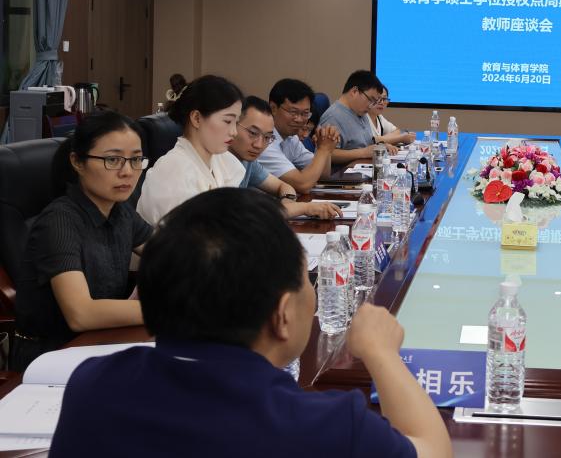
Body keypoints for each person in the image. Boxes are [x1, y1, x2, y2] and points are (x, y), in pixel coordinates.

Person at [50, 188, 453, 458]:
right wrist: (382, 354)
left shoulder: (92, 386)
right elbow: (433, 449)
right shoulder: (324, 427)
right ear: (282, 315)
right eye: (306, 279)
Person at [11, 112, 153, 372]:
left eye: (135, 160)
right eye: (112, 160)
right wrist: (169, 311)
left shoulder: (121, 211)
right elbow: (81, 314)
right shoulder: (59, 221)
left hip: (102, 342)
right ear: (77, 161)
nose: (127, 172)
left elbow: (172, 252)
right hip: (51, 357)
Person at [137, 75, 246, 225]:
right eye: (227, 121)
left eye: (236, 122)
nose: (234, 132)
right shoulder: (172, 170)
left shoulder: (223, 160)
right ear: (196, 118)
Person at [231, 96, 341, 220]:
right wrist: (303, 208)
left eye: (267, 137)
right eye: (252, 133)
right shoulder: (221, 161)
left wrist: (288, 206)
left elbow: (284, 186)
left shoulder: (249, 162)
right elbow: (241, 215)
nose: (259, 145)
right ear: (232, 126)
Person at [258, 78, 339, 195]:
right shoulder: (263, 142)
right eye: (293, 112)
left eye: (305, 113)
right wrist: (323, 149)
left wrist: (325, 146)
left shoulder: (291, 138)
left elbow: (322, 175)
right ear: (273, 108)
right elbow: (303, 185)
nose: (300, 119)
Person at [320, 70, 397, 166]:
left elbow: (366, 143)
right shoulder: (333, 117)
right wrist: (363, 153)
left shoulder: (361, 112)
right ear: (354, 91)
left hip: (364, 167)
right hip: (343, 172)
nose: (370, 106)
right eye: (370, 100)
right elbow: (326, 154)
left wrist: (380, 147)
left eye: (374, 102)